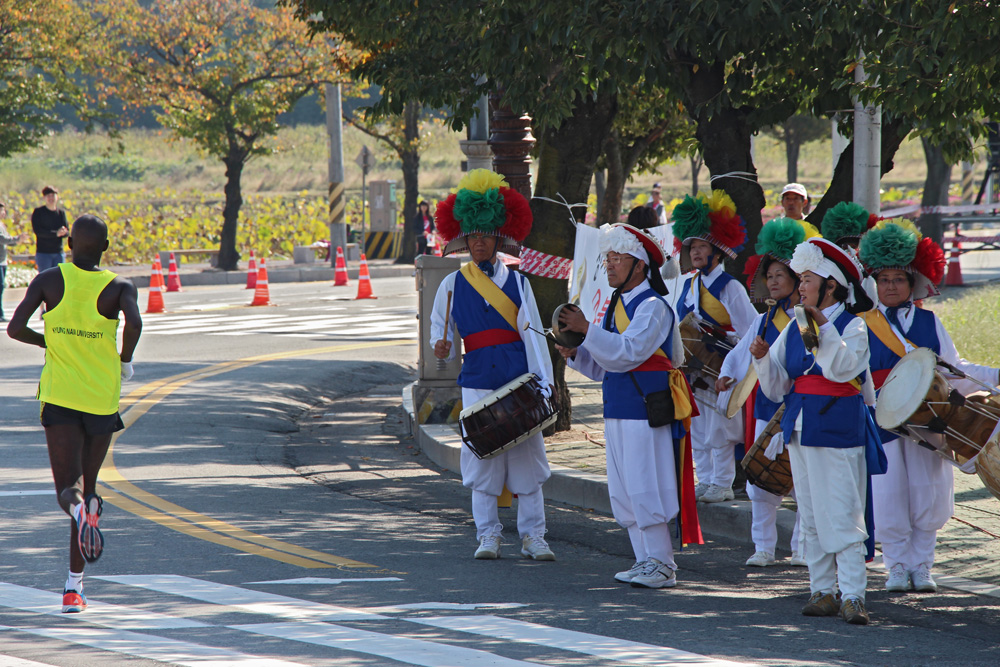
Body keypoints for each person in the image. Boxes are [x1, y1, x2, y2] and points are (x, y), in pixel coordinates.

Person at [7, 214, 142, 614]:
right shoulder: (119, 285)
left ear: (69, 246)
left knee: (70, 492)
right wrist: (125, 359)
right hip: (101, 399)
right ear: (104, 248)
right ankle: (74, 587)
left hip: (61, 397)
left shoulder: (49, 280)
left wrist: (49, 342)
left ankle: (80, 520)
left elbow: (14, 328)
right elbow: (134, 322)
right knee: (90, 485)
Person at [858, 220, 999, 594]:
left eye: (898, 280)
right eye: (884, 279)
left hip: (929, 421)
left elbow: (954, 370)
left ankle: (922, 566)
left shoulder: (929, 321)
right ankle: (897, 566)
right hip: (883, 421)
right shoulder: (860, 325)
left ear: (912, 284)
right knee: (888, 494)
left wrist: (995, 376)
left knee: (928, 493)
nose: (890, 286)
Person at [557, 223, 701, 588]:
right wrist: (577, 353)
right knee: (624, 488)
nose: (610, 265)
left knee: (644, 483)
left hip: (644, 408)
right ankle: (644, 559)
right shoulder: (618, 305)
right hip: (619, 404)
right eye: (608, 258)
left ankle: (662, 563)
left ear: (639, 264)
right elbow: (606, 364)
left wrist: (587, 331)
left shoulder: (652, 306)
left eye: (617, 258)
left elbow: (628, 353)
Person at [751, 237, 881, 626]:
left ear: (831, 285)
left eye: (806, 279)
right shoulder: (793, 326)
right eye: (800, 279)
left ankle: (854, 594)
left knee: (842, 509)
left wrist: (823, 328)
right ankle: (822, 590)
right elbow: (777, 387)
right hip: (801, 427)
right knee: (809, 511)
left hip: (839, 425)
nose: (800, 285)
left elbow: (842, 370)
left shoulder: (854, 325)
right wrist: (761, 360)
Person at [429, 169, 556, 561]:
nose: (479, 242)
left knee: (527, 460)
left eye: (485, 235)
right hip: (479, 378)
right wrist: (442, 348)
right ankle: (488, 535)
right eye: (473, 235)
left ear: (498, 237)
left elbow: (534, 335)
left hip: (519, 378)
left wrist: (545, 383)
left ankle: (534, 535)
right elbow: (441, 335)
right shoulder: (451, 284)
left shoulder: (519, 284)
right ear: (464, 238)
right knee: (482, 458)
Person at [716, 218, 814, 567]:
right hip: (765, 406)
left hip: (800, 406)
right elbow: (740, 351)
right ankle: (763, 548)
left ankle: (802, 547)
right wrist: (728, 374)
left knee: (802, 479)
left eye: (779, 276)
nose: (772, 282)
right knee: (760, 478)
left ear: (794, 280)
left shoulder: (806, 319)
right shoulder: (764, 318)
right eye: (768, 276)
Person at [671, 190, 756, 503]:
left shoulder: (730, 286)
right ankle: (705, 479)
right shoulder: (688, 283)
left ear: (717, 250)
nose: (695, 252)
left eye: (702, 246)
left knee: (720, 430)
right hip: (693, 369)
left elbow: (750, 330)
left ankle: (722, 482)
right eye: (692, 246)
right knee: (698, 426)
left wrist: (733, 361)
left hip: (720, 366)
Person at [0, 202, 30, 321]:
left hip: (3, 260)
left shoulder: (2, 225)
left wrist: (17, 241)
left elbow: (7, 241)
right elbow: (2, 239)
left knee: (1, 287)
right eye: (2, 210)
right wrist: (17, 239)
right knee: (0, 286)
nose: (4, 213)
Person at [31, 185, 70, 273]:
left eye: (53, 196)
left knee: (59, 279)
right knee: (45, 279)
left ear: (57, 197)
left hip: (58, 253)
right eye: (48, 196)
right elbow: (38, 231)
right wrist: (56, 234)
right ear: (44, 198)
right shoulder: (38, 212)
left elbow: (67, 231)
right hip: (43, 253)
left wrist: (64, 232)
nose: (51, 198)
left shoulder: (61, 213)